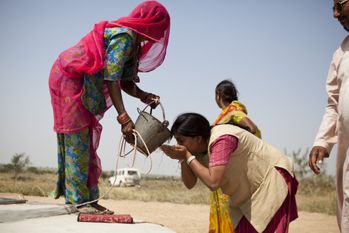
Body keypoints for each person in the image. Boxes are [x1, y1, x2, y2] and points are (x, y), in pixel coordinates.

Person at [48, 1, 170, 213]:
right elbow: (112, 79)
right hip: (70, 80)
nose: (160, 34)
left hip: (82, 82)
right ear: (150, 23)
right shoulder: (124, 37)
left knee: (86, 139)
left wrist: (144, 96)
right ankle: (78, 201)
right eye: (159, 26)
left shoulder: (134, 44)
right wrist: (124, 117)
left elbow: (124, 82)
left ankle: (89, 200)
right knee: (78, 137)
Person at [161, 113, 298, 233]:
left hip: (270, 181)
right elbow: (190, 184)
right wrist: (183, 159)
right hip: (247, 194)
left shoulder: (222, 139)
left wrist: (187, 155)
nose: (179, 145)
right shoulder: (196, 151)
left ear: (198, 138)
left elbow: (213, 182)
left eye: (181, 140)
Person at [308, 1, 349, 231]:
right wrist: (322, 140)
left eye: (339, 5)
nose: (335, 14)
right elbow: (334, 104)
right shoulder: (341, 53)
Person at [209, 79, 262, 233]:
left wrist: (229, 128)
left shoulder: (234, 112)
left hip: (230, 177)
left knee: (231, 220)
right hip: (223, 175)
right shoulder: (227, 115)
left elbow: (251, 128)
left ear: (218, 96)